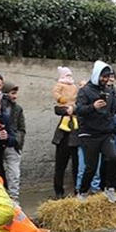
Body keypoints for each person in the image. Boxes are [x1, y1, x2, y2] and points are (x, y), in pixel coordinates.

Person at [75, 61, 116, 203]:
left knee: (113, 157)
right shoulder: (85, 91)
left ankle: (110, 188)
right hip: (89, 134)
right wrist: (93, 107)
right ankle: (82, 192)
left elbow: (113, 110)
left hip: (105, 132)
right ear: (97, 75)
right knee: (91, 167)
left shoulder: (110, 91)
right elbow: (79, 110)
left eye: (108, 76)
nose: (106, 79)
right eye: (104, 76)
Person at [51, 66, 80, 199]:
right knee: (60, 165)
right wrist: (66, 109)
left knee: (77, 166)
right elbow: (57, 109)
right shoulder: (60, 88)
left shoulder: (76, 91)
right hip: (62, 136)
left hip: (76, 135)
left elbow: (81, 109)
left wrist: (73, 109)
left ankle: (77, 190)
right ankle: (58, 191)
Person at [2, 82, 26, 201]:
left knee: (14, 174)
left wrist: (18, 140)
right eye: (12, 93)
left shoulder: (18, 109)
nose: (15, 96)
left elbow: (22, 128)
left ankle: (14, 199)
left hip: (13, 145)